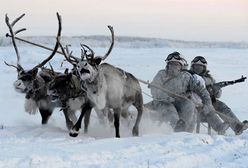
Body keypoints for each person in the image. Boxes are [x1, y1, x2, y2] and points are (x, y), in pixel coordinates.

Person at [145, 51, 228, 134]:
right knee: (169, 108)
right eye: (171, 64)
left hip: (180, 101)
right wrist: (167, 98)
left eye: (176, 64)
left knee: (190, 105)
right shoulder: (161, 74)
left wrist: (208, 104)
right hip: (162, 102)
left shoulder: (187, 77)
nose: (173, 66)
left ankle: (187, 132)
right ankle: (177, 127)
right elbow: (155, 90)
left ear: (181, 66)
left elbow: (202, 91)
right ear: (168, 65)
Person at [190, 56, 248, 135]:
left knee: (221, 105)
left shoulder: (210, 78)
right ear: (192, 67)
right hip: (195, 104)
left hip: (209, 102)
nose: (198, 69)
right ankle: (220, 127)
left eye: (200, 67)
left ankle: (237, 127)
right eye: (196, 66)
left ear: (204, 68)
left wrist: (216, 91)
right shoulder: (188, 76)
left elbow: (217, 95)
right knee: (209, 111)